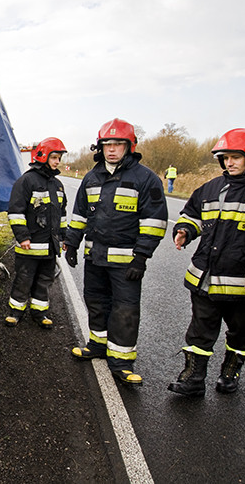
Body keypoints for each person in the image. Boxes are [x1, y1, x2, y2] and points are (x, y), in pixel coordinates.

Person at [167, 128, 245, 397]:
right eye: (225, 158)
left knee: (241, 335)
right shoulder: (212, 188)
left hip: (244, 285)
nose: (229, 163)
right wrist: (185, 230)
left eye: (235, 157)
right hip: (205, 279)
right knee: (199, 332)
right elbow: (192, 213)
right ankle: (193, 378)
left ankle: (230, 371)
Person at [64, 118, 168, 384]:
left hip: (126, 263)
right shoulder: (91, 177)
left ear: (129, 146)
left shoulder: (145, 179)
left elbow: (154, 223)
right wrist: (72, 244)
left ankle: (121, 361)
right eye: (107, 144)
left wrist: (141, 257)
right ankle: (98, 345)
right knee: (96, 302)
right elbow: (78, 216)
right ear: (100, 147)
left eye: (118, 144)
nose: (111, 149)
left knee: (125, 310)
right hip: (95, 258)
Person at [6, 137, 67, 329]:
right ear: (43, 156)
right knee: (24, 278)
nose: (57, 162)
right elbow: (16, 212)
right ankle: (16, 312)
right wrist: (22, 236)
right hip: (30, 245)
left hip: (49, 247)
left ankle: (40, 312)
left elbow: (61, 215)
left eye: (59, 158)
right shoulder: (26, 181)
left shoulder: (57, 185)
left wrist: (63, 237)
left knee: (45, 280)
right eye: (54, 157)